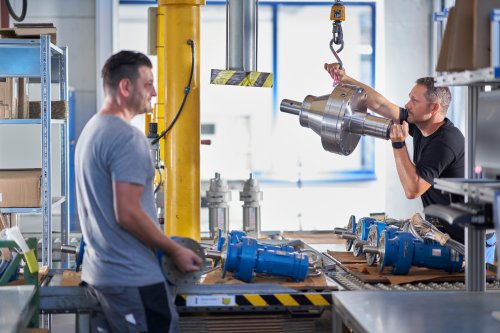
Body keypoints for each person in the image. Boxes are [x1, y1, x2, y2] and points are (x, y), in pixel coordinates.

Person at [75, 50, 202, 333]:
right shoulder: (126, 137)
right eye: (148, 84)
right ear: (125, 86)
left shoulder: (91, 130)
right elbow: (128, 212)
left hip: (100, 276)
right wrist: (174, 250)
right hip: (132, 279)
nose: (154, 92)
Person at [324, 63, 497, 263]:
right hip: (445, 234)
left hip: (471, 241)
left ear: (433, 108)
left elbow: (413, 189)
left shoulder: (447, 141)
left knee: (473, 293)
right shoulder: (420, 125)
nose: (407, 105)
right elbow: (381, 105)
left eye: (414, 100)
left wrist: (399, 144)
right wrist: (347, 80)